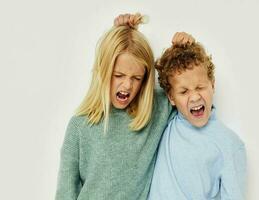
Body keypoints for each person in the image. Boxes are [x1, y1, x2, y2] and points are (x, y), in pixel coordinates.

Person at [55, 13, 176, 200]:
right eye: (118, 75)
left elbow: (191, 96)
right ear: (103, 70)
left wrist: (185, 50)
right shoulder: (79, 126)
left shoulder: (157, 109)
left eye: (136, 78)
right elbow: (65, 193)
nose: (127, 85)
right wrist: (117, 35)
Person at [148, 33, 247, 200]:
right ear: (171, 98)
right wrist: (179, 47)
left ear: (212, 85)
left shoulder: (230, 144)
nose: (194, 97)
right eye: (184, 91)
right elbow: (138, 94)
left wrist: (190, 50)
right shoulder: (167, 119)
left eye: (200, 87)